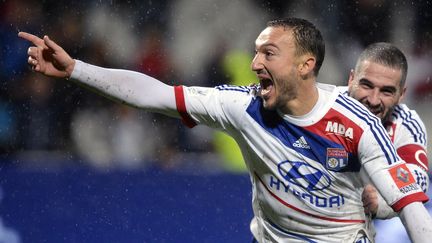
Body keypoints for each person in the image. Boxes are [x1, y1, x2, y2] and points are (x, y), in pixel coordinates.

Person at [18, 17, 432, 242]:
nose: (255, 64)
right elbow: (156, 94)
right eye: (256, 53)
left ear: (306, 65)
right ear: (349, 76)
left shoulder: (360, 125)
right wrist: (76, 70)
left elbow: (413, 206)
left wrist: (381, 205)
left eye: (268, 53)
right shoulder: (242, 105)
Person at [339, 42, 429, 220]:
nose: (373, 100)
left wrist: (381, 204)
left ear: (401, 95)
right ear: (351, 79)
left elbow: (417, 182)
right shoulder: (324, 105)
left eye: (386, 91)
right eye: (366, 85)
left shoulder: (406, 125)